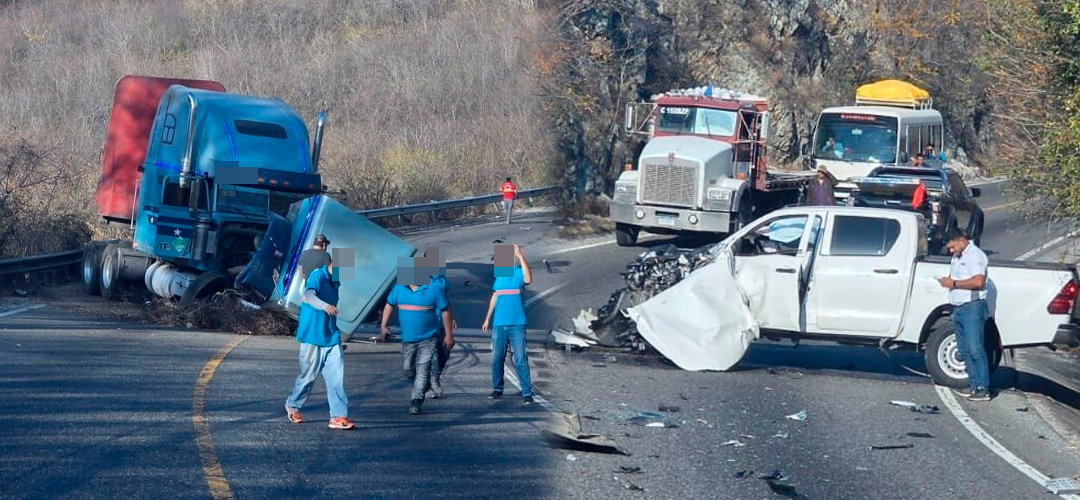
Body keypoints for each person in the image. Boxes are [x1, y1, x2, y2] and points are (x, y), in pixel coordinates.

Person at [284, 253, 355, 430]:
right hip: (312, 337)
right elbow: (308, 295)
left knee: (336, 379)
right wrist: (324, 306)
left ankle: (338, 416)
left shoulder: (336, 281)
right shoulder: (318, 275)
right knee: (308, 377)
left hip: (331, 336)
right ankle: (293, 405)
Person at [381, 278, 455, 415]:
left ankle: (416, 400)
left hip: (429, 339)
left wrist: (448, 334)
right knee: (407, 369)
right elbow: (389, 304)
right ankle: (424, 385)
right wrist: (384, 326)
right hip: (408, 340)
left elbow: (445, 311)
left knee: (422, 369)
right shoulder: (399, 289)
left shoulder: (434, 290)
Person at [937, 229, 992, 402]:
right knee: (964, 350)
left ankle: (983, 388)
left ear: (961, 240)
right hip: (959, 307)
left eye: (953, 247)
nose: (951, 251)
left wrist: (953, 283)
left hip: (972, 307)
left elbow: (978, 281)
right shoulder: (958, 256)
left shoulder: (975, 256)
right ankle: (974, 386)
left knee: (975, 348)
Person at [481, 244, 535, 405]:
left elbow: (528, 279)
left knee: (520, 359)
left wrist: (520, 256)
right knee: (497, 358)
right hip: (499, 324)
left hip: (517, 324)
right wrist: (487, 318)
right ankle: (497, 389)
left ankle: (527, 392)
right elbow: (495, 296)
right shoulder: (500, 276)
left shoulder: (518, 271)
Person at [426, 272, 457, 399]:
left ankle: (435, 376)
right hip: (427, 323)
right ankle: (428, 384)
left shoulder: (442, 279)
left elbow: (447, 300)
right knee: (429, 355)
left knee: (445, 351)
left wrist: (452, 317)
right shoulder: (416, 276)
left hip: (442, 323)